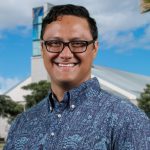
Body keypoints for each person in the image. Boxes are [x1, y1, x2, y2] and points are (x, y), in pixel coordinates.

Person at [4, 4, 150, 150]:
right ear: (42, 49)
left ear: (94, 49)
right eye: (54, 43)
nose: (65, 54)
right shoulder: (21, 123)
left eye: (78, 43)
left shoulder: (128, 120)